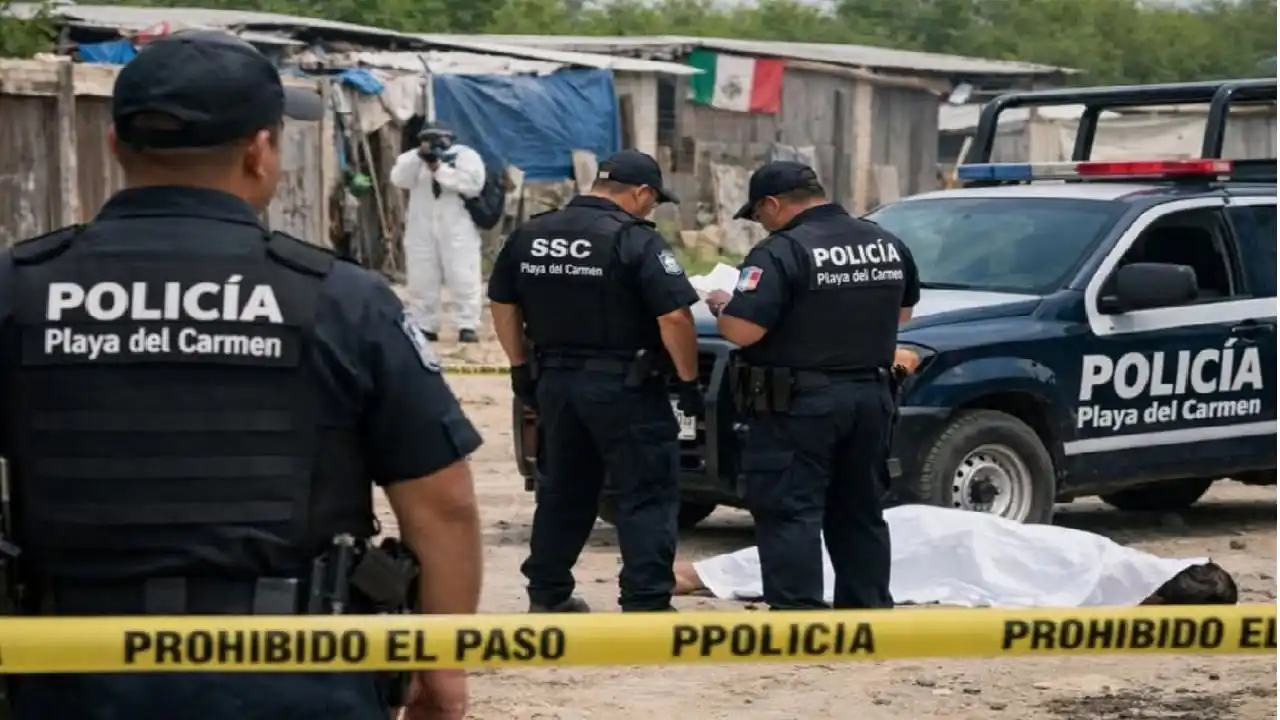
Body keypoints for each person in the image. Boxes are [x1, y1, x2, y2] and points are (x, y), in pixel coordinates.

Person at [0, 31, 483, 720]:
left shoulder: (19, 289)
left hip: (72, 673)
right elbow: (442, 502)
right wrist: (441, 669)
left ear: (114, 144)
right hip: (296, 675)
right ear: (259, 151)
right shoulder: (341, 298)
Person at [487, 149, 702, 613]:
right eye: (652, 201)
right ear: (640, 192)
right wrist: (688, 381)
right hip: (626, 386)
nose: (651, 209)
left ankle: (547, 592)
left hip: (556, 385)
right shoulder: (636, 241)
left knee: (564, 489)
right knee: (645, 491)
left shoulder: (532, 234)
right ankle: (646, 599)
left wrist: (520, 366)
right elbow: (675, 318)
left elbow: (502, 304)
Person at [705, 161, 920, 611]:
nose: (760, 223)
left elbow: (743, 331)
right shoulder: (885, 242)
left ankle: (799, 619)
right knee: (859, 512)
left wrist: (726, 306)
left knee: (790, 511)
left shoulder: (782, 250)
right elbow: (901, 316)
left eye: (758, 214)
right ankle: (866, 613)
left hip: (798, 405)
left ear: (773, 204)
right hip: (870, 397)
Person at [672, 504, 1239, 608]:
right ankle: (702, 577)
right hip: (953, 538)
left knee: (845, 557)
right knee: (849, 553)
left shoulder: (1119, 570)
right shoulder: (1112, 566)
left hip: (952, 542)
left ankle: (704, 577)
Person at [390, 123, 487, 344]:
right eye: (427, 139)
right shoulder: (412, 159)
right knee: (421, 275)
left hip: (457, 225)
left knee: (463, 273)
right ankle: (425, 324)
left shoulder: (465, 157)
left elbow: (472, 185)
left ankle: (467, 324)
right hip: (421, 225)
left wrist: (438, 168)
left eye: (437, 139)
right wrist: (420, 157)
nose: (432, 144)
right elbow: (399, 179)